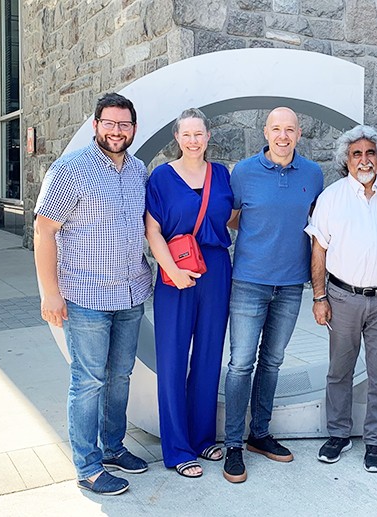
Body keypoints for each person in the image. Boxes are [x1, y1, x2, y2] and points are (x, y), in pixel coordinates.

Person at [34, 93, 153, 496]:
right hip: (85, 296)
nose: (116, 131)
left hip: (131, 292)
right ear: (95, 125)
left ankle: (114, 448)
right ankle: (87, 465)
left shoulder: (139, 170)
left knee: (120, 378)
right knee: (88, 382)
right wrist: (51, 293)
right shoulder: (71, 169)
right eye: (109, 123)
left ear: (133, 129)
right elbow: (43, 231)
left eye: (124, 124)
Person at [307, 125, 377, 473]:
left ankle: (375, 441)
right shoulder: (332, 197)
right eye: (356, 153)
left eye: (370, 152)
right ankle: (338, 435)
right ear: (346, 160)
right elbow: (318, 249)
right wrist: (319, 296)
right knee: (340, 370)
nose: (364, 159)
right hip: (342, 297)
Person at [222, 107, 324, 483]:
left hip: (291, 284)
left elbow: (318, 227)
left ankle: (259, 434)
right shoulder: (244, 172)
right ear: (265, 132)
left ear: (299, 133)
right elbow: (231, 218)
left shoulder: (313, 174)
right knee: (240, 364)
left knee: (272, 361)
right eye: (276, 129)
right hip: (249, 281)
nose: (283, 136)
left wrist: (319, 289)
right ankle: (233, 444)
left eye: (290, 130)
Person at [145, 108, 235, 478]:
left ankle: (202, 438)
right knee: (172, 359)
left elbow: (231, 217)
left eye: (199, 134)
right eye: (187, 134)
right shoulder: (162, 178)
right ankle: (178, 449)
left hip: (215, 270)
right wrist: (172, 270)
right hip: (175, 272)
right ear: (177, 138)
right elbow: (152, 231)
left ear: (208, 136)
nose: (194, 140)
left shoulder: (222, 174)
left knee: (210, 355)